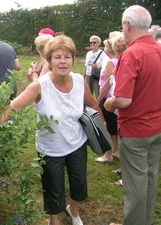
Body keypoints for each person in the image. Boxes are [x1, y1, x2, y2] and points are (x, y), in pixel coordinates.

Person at [0, 35, 105, 225]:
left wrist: (102, 129)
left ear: (73, 59)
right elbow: (13, 107)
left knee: (79, 183)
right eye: (57, 57)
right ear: (49, 61)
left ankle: (74, 210)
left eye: (67, 56)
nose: (63, 61)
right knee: (53, 188)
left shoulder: (80, 81)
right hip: (50, 149)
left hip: (77, 143)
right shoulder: (39, 86)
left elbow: (93, 104)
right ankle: (53, 220)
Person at [104, 5, 161, 225]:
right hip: (157, 128)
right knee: (149, 179)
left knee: (135, 184)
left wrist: (110, 102)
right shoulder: (158, 49)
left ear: (127, 25)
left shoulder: (132, 54)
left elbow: (124, 100)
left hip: (136, 131)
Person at [95, 34, 123, 163]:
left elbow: (107, 84)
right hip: (116, 98)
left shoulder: (111, 62)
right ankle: (115, 150)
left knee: (108, 127)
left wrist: (99, 99)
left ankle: (108, 154)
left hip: (108, 98)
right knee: (115, 127)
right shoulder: (120, 60)